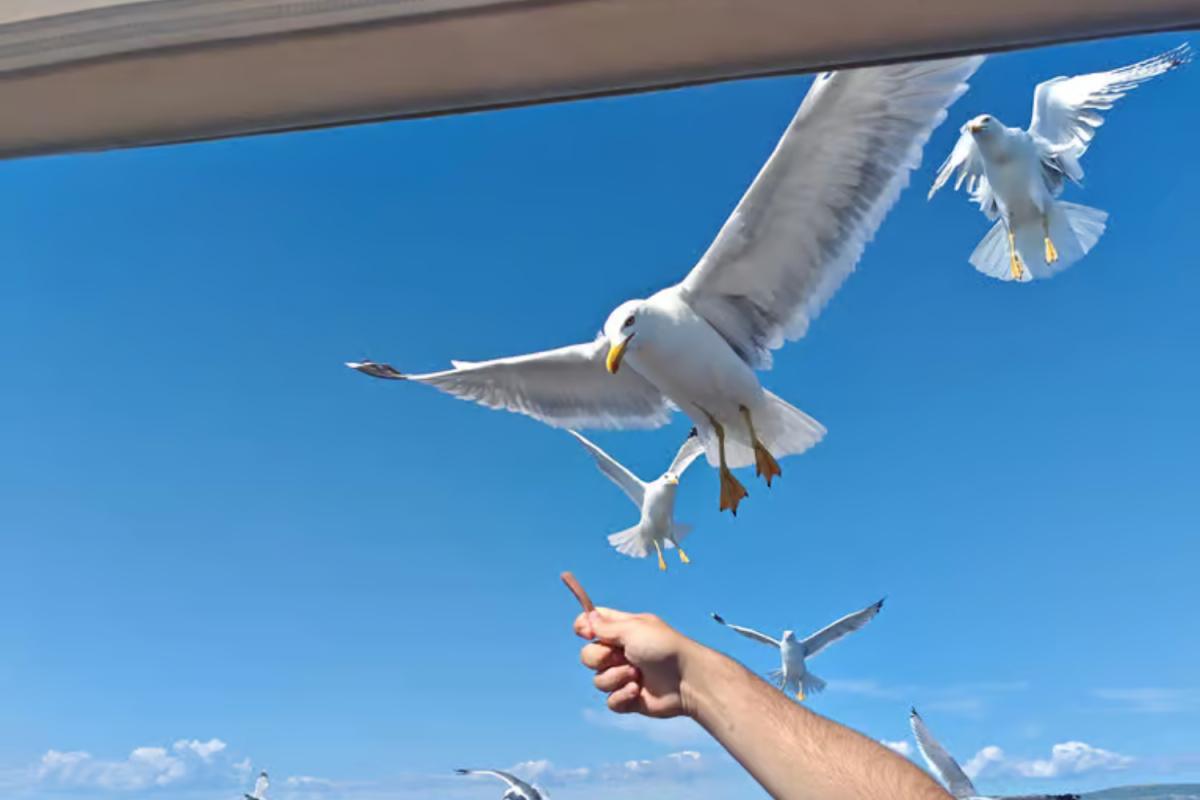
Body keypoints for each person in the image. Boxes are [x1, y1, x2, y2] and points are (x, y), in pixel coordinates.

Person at [574, 607, 952, 800]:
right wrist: (689, 676)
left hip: (797, 677)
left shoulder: (805, 643)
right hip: (771, 681)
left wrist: (693, 679)